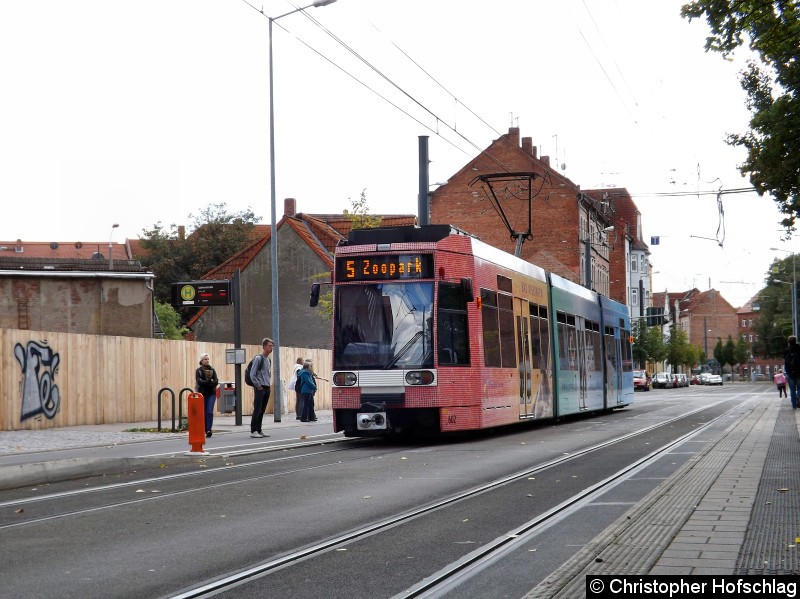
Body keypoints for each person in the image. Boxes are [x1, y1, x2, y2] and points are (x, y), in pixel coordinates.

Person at [250, 337, 274, 437]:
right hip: (260, 387)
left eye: (272, 346)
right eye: (269, 346)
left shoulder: (268, 359)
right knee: (257, 409)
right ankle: (253, 430)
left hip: (267, 387)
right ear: (264, 347)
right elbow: (252, 374)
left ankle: (259, 430)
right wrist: (258, 386)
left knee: (262, 410)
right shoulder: (258, 358)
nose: (271, 348)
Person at [195, 353, 219, 438]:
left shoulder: (212, 370)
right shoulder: (199, 370)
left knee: (209, 411)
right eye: (205, 359)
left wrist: (209, 382)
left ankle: (208, 429)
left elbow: (216, 381)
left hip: (211, 394)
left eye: (208, 359)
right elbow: (199, 382)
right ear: (201, 361)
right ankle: (204, 429)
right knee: (203, 412)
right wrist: (209, 381)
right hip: (202, 394)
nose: (207, 360)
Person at [783, 336, 800, 409]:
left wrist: (787, 372)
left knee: (792, 389)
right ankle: (799, 397)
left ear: (788, 342)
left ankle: (794, 404)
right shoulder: (799, 349)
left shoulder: (787, 350)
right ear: (795, 341)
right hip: (799, 372)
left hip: (790, 373)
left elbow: (785, 362)